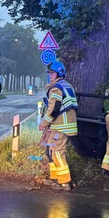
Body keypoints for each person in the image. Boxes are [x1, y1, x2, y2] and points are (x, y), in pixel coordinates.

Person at [39, 61, 78, 190]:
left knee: (57, 153)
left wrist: (43, 123)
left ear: (59, 73)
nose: (50, 75)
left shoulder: (56, 88)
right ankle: (55, 178)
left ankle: (65, 182)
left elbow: (54, 109)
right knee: (51, 151)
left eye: (52, 73)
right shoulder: (66, 86)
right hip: (62, 125)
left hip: (61, 126)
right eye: (49, 73)